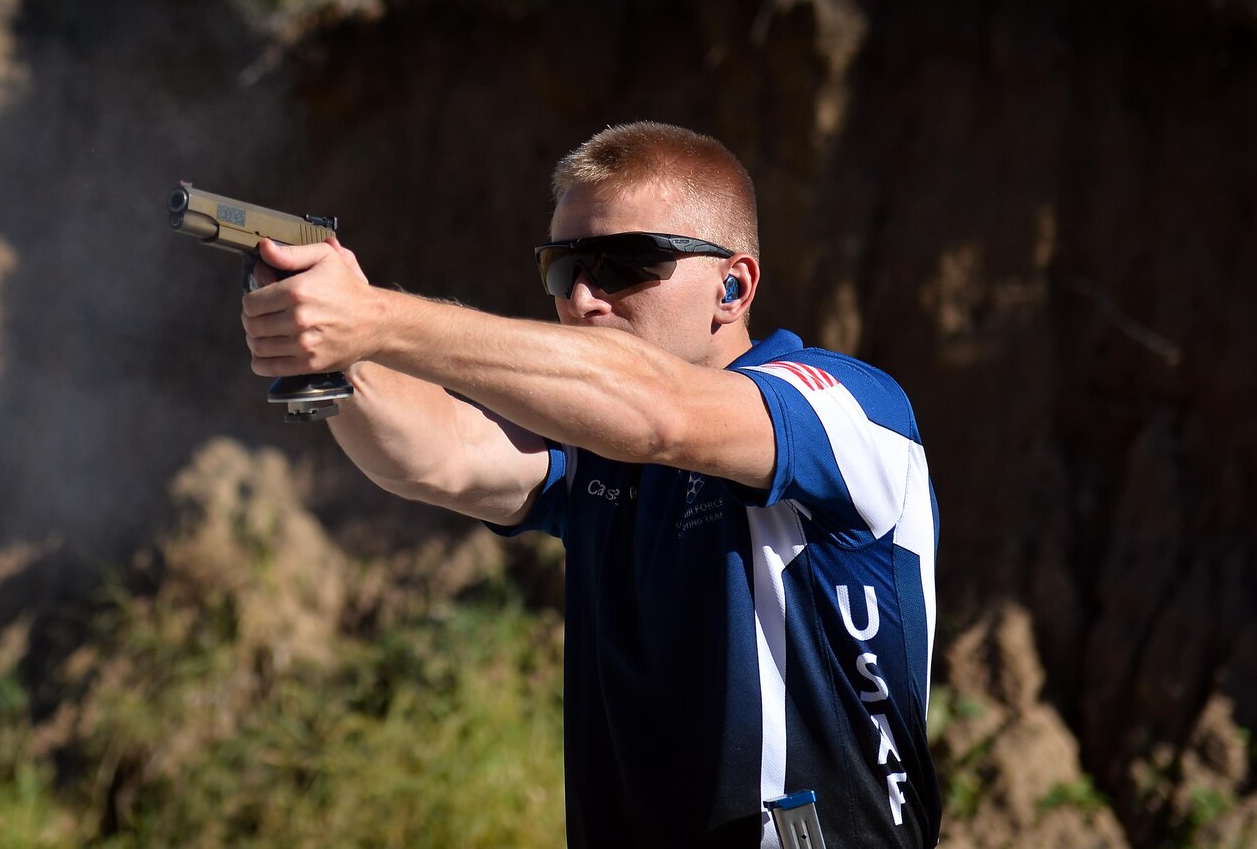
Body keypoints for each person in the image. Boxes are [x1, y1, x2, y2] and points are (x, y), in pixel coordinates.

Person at [238, 121, 939, 848]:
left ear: (732, 287)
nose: (580, 297)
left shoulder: (843, 405)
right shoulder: (606, 448)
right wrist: (332, 355)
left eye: (623, 264)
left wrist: (373, 318)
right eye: (561, 267)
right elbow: (439, 456)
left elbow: (660, 413)